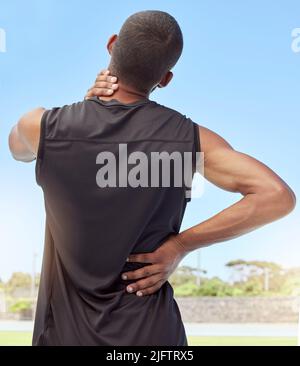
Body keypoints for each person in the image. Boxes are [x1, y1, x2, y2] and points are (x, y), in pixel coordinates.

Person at [8, 10, 296, 346]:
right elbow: (276, 195)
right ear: (166, 78)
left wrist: (83, 107)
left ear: (112, 45)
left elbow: (17, 148)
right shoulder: (190, 140)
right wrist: (181, 245)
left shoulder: (43, 127)